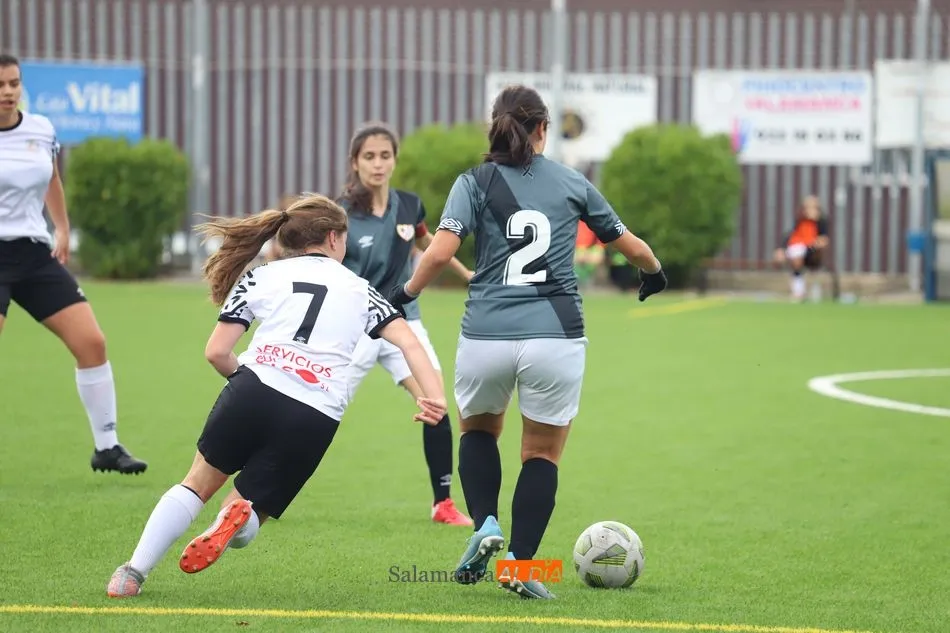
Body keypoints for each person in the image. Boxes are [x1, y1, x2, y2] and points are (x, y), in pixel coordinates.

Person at [387, 85, 668, 600]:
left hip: (486, 334)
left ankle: (485, 524)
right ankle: (520, 565)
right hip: (556, 338)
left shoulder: (473, 182)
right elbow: (628, 243)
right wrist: (653, 272)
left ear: (494, 126)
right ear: (543, 129)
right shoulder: (570, 181)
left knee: (478, 431)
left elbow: (438, 252)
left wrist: (402, 295)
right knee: (541, 454)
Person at [106, 194, 447, 598]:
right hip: (316, 412)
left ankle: (132, 573)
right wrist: (434, 398)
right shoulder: (361, 290)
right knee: (252, 513)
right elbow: (408, 342)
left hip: (254, 387)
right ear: (335, 239)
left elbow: (216, 352)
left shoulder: (264, 275)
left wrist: (247, 380)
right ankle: (236, 518)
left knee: (195, 484)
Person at [0, 53, 147, 474]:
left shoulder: (41, 128)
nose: (8, 92)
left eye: (13, 83)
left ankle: (107, 447)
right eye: (0, 86)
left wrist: (62, 228)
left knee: (92, 342)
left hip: (32, 253)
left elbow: (51, 178)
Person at [337, 122, 474, 527]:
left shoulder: (410, 205)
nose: (378, 164)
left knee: (436, 405)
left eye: (385, 155)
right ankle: (253, 495)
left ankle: (442, 503)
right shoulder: (340, 213)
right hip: (353, 328)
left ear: (395, 159)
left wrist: (467, 274)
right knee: (310, 408)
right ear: (355, 162)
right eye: (369, 156)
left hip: (403, 324)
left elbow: (427, 244)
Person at [773, 195, 829, 301]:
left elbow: (823, 239)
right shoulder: (800, 221)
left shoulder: (821, 223)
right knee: (795, 257)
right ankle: (798, 291)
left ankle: (808, 289)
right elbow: (790, 236)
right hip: (797, 249)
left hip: (812, 251)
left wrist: (817, 244)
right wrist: (781, 249)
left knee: (802, 257)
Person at [573, 220, 604, 289]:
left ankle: (585, 281)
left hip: (589, 248)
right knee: (578, 257)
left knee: (596, 256)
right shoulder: (573, 221)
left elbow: (600, 239)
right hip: (576, 248)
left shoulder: (593, 221)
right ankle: (579, 281)